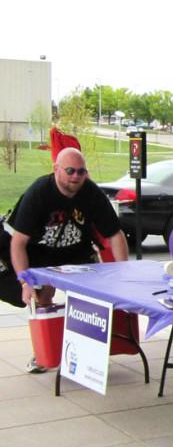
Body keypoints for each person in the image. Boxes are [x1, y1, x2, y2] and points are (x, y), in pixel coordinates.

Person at [5, 148, 128, 370]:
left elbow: (115, 235)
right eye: (70, 170)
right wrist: (25, 281)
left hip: (77, 252)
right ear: (56, 169)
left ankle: (87, 355)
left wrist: (125, 272)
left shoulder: (91, 193)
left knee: (91, 299)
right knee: (42, 298)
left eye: (81, 172)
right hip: (40, 252)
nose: (75, 176)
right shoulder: (39, 193)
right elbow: (18, 243)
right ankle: (45, 353)